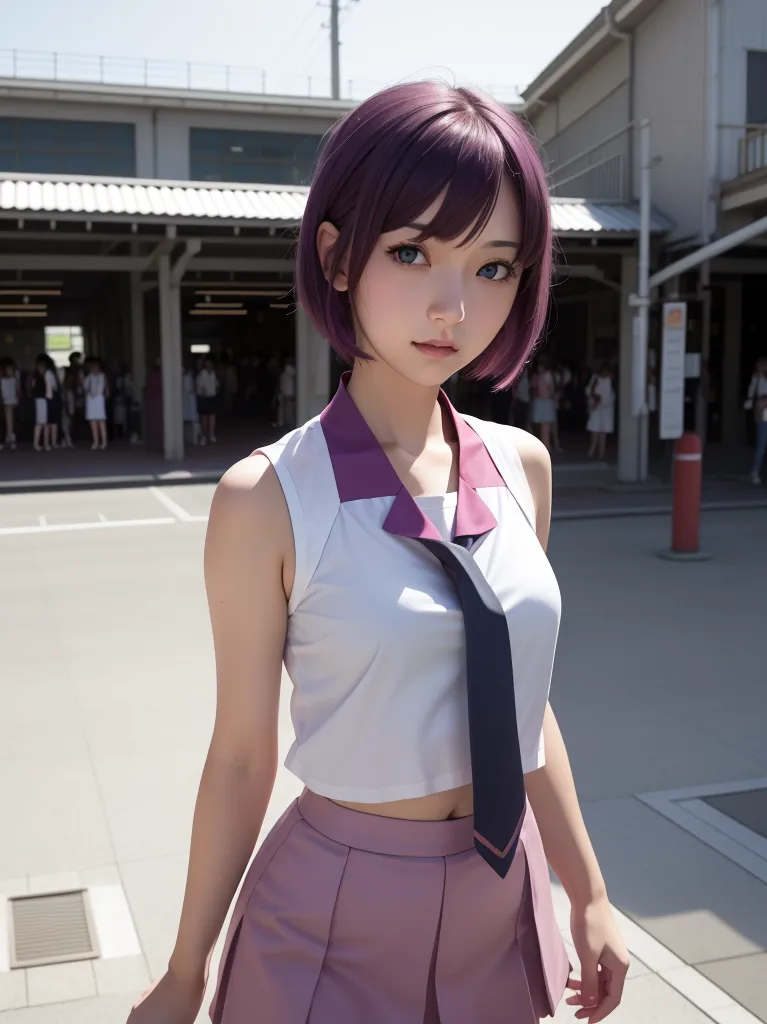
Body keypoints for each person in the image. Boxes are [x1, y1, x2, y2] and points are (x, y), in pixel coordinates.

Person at [127, 82, 629, 1024]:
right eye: (412, 252)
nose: (454, 305)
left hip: (500, 892)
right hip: (333, 908)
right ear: (337, 255)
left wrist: (588, 890)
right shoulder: (269, 499)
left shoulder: (523, 467)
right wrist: (187, 967)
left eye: (493, 268)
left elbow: (522, 702)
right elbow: (242, 755)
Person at [586, 363, 616, 461]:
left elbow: (612, 394)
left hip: (606, 408)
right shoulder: (596, 378)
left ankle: (601, 452)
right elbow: (588, 390)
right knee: (595, 428)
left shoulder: (611, 380)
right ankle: (593, 448)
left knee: (603, 430)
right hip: (597, 407)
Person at [746, 357, 767, 484]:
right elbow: (751, 392)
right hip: (762, 408)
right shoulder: (757, 378)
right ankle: (755, 471)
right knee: (762, 442)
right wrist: (750, 402)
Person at [530, 356, 557, 451]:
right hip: (539, 401)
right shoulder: (536, 376)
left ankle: (547, 446)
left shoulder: (548, 374)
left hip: (547, 401)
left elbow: (552, 389)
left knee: (546, 425)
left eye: (541, 365)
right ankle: (543, 446)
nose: (539, 368)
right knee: (539, 425)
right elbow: (533, 389)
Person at [84, 357, 109, 450]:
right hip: (90, 400)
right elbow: (85, 387)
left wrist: (94, 393)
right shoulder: (89, 377)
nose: (95, 369)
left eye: (96, 367)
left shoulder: (102, 376)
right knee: (93, 422)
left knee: (101, 421)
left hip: (99, 399)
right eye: (93, 368)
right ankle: (96, 442)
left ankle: (104, 442)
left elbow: (101, 388)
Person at [196, 357, 219, 445]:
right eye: (207, 363)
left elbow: (216, 384)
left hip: (212, 397)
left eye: (210, 363)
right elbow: (198, 386)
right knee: (204, 419)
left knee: (212, 417)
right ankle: (204, 436)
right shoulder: (201, 374)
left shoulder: (213, 373)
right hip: (204, 398)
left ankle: (211, 435)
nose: (209, 365)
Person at [0, 359, 20, 451]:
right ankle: (7, 438)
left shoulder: (13, 379)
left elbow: (15, 390)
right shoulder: (3, 379)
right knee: (5, 420)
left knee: (11, 420)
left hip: (10, 401)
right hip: (5, 402)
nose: (10, 371)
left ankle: (10, 437)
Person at [277, 356, 297, 428]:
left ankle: (283, 425)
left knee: (285, 414)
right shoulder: (293, 373)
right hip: (289, 397)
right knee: (289, 415)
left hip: (285, 395)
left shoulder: (283, 374)